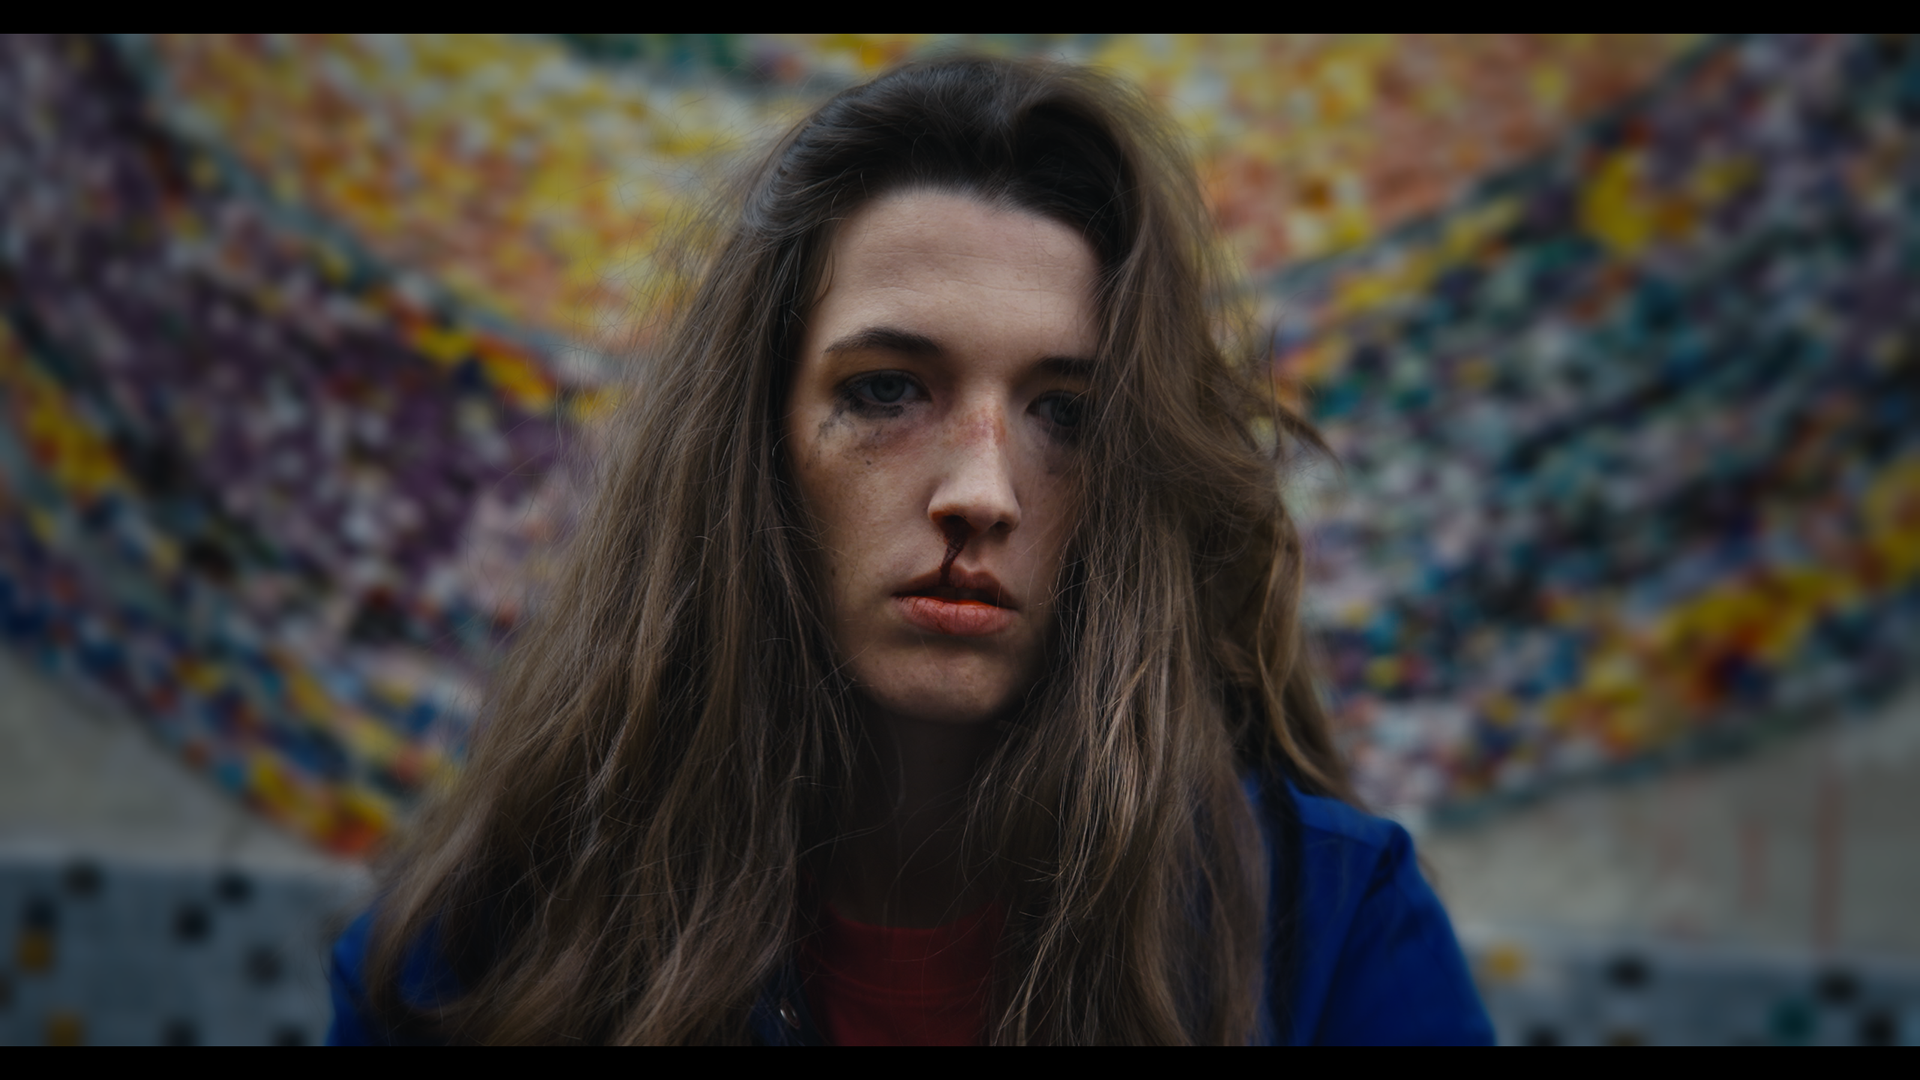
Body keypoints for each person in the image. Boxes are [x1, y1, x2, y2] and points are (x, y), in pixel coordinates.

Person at [326, 55, 1494, 1046]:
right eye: (887, 390)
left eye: (1067, 415)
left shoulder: (1329, 930)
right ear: (756, 440)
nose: (981, 493)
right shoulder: (486, 956)